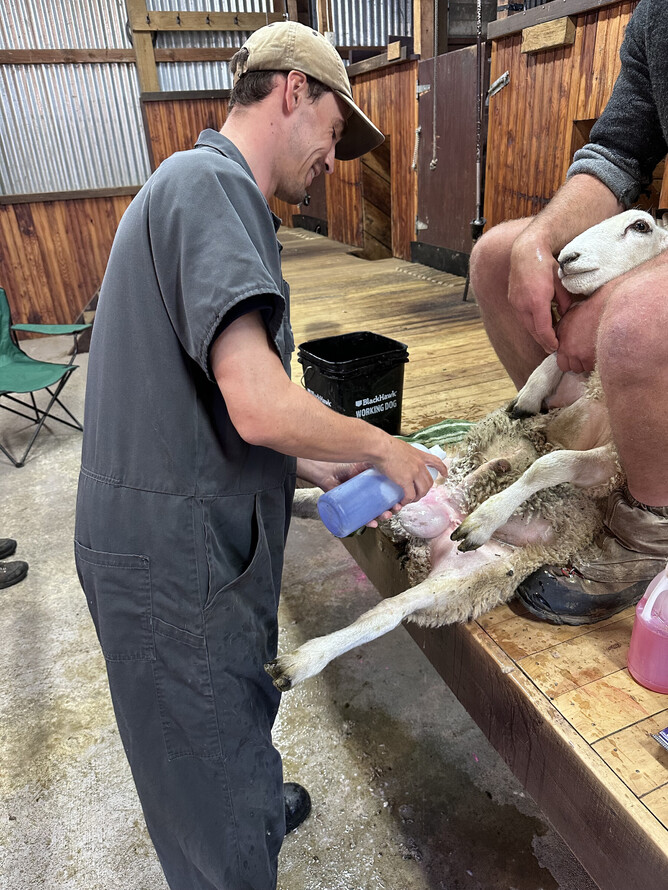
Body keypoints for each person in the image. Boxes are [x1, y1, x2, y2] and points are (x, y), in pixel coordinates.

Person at [74, 21, 445, 890]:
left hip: (176, 536)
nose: (333, 158)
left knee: (218, 726)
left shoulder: (194, 184)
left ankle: (246, 798)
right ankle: (234, 842)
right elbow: (257, 399)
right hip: (172, 560)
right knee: (208, 779)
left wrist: (311, 461)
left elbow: (225, 399)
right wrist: (382, 446)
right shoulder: (211, 186)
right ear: (292, 91)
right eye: (333, 130)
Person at [469, 0, 668, 625]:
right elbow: (615, 152)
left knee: (636, 318)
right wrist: (536, 243)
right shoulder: (655, 17)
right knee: (496, 256)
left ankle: (650, 529)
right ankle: (579, 453)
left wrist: (611, 301)